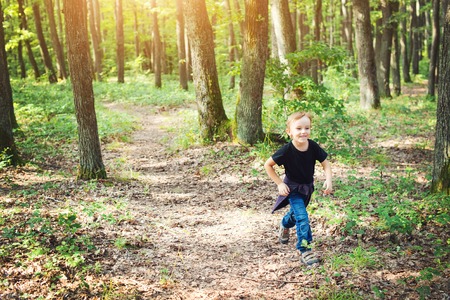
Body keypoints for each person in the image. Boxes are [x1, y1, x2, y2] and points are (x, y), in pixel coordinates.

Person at [264, 111, 332, 266]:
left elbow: (325, 163)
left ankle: (285, 224)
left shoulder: (313, 146)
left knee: (295, 215)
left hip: (307, 188)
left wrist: (328, 179)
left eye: (306, 128)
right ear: (289, 132)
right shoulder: (286, 150)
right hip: (292, 188)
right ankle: (305, 250)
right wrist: (280, 183)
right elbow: (268, 165)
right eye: (298, 128)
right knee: (302, 217)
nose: (303, 132)